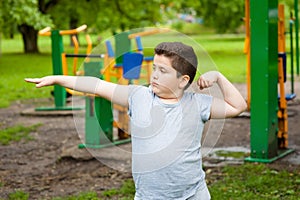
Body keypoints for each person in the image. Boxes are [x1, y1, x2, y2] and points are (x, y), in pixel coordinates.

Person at [25, 42, 247, 199]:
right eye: (154, 69)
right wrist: (56, 79)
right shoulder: (138, 96)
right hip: (150, 196)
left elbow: (238, 106)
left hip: (193, 194)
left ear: (183, 81)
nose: (155, 75)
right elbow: (96, 84)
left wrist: (218, 77)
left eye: (163, 71)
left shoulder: (197, 104)